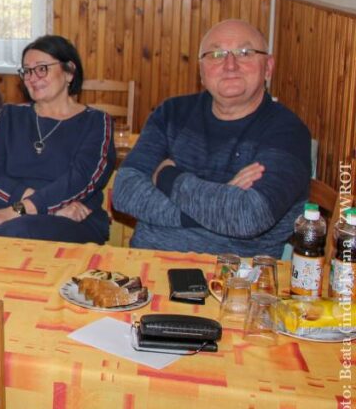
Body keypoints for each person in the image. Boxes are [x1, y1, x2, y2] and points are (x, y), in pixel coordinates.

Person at [112, 19, 311, 257]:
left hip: (235, 280)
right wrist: (222, 197)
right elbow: (124, 192)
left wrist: (167, 177)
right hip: (147, 268)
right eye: (216, 54)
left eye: (245, 53)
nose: (230, 65)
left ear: (268, 67)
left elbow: (247, 217)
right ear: (201, 72)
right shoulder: (172, 113)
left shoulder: (286, 132)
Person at [0, 35, 115, 244]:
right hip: (22, 213)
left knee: (18, 230)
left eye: (42, 68)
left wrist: (16, 211)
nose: (32, 78)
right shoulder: (9, 115)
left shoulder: (97, 122)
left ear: (69, 72)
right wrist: (47, 208)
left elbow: (80, 181)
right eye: (27, 70)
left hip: (74, 222)